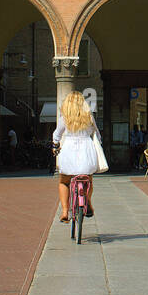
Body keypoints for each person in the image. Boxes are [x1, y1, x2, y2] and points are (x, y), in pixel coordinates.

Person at [52, 91, 101, 223]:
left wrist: (55, 146)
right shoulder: (89, 117)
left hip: (69, 151)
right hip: (86, 151)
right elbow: (97, 134)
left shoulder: (65, 118)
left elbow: (56, 135)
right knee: (88, 179)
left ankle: (64, 211)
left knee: (64, 181)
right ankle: (88, 201)